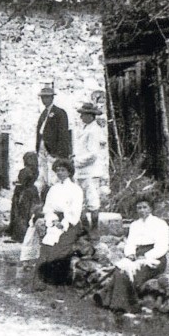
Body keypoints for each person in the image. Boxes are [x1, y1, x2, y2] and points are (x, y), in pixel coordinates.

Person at [97, 195, 169, 314]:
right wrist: (130, 254)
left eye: (145, 207)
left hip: (155, 258)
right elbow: (130, 243)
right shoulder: (135, 225)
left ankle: (119, 303)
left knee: (130, 274)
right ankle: (114, 303)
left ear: (150, 209)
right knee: (120, 270)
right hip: (136, 255)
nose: (142, 210)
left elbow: (162, 246)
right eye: (139, 208)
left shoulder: (160, 224)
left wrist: (146, 256)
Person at [35, 159, 85, 286]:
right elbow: (48, 208)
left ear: (69, 172)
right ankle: (43, 280)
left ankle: (58, 280)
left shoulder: (76, 189)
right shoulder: (53, 189)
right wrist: (53, 220)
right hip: (55, 222)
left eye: (63, 170)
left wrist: (64, 223)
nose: (60, 173)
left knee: (59, 250)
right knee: (46, 249)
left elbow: (75, 211)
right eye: (57, 170)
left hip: (70, 224)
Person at [73, 100, 108, 238]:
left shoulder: (94, 131)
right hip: (81, 172)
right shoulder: (85, 129)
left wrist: (77, 161)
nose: (81, 117)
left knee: (92, 201)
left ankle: (94, 228)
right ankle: (84, 227)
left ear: (90, 116)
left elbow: (93, 154)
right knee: (79, 200)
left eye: (83, 115)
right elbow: (83, 150)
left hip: (91, 172)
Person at [35, 84, 71, 192]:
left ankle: (56, 195)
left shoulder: (59, 113)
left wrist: (60, 153)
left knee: (54, 173)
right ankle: (46, 195)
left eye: (47, 97)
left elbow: (63, 134)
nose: (44, 99)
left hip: (53, 150)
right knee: (43, 173)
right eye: (42, 97)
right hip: (42, 147)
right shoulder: (43, 113)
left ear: (52, 98)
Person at [8, 152, 40, 242]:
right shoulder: (36, 170)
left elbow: (22, 183)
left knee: (21, 213)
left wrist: (17, 183)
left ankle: (20, 234)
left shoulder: (24, 170)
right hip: (33, 191)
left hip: (23, 192)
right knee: (30, 212)